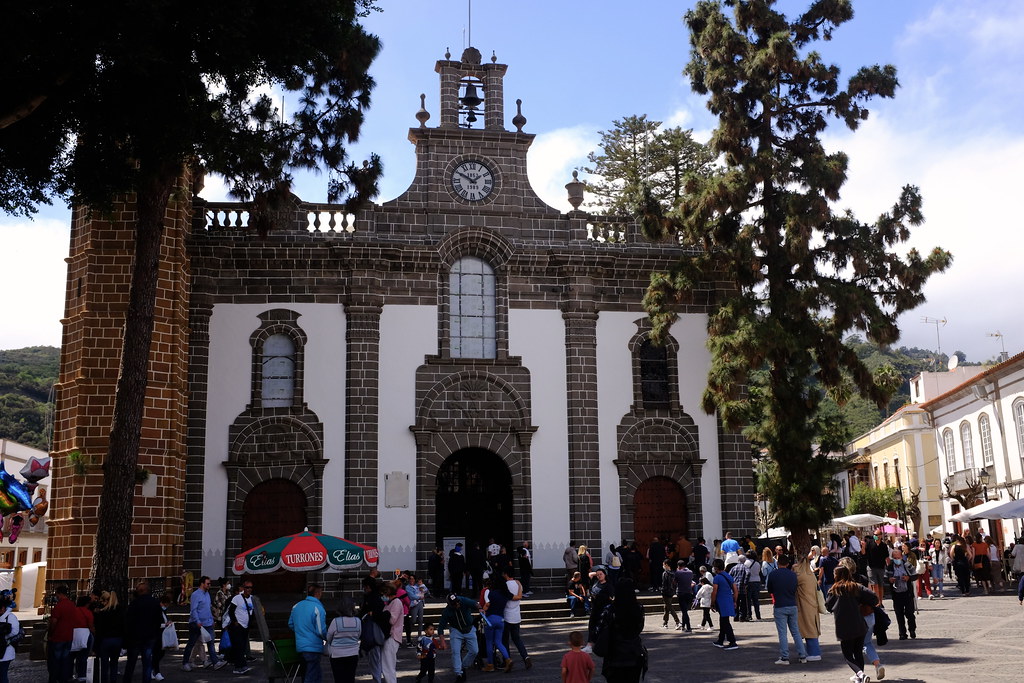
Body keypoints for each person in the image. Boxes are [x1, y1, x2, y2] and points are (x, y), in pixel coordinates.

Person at [825, 565, 879, 683]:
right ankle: (860, 677)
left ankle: (860, 674)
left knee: (847, 654)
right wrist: (862, 604)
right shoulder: (856, 587)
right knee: (858, 651)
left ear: (837, 576)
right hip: (859, 623)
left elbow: (828, 606)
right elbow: (874, 598)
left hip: (843, 626)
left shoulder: (834, 590)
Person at [594, 579, 646, 683]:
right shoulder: (639, 608)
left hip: (614, 654)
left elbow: (598, 630)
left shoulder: (610, 609)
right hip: (634, 652)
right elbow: (640, 627)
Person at [765, 554, 806, 665]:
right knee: (796, 632)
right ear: (788, 564)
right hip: (792, 604)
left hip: (780, 604)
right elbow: (795, 588)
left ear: (778, 563)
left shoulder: (773, 574)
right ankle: (802, 655)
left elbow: (770, 589)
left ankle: (785, 657)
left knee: (782, 633)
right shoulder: (793, 575)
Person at [123, 581, 164, 683]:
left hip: (135, 637)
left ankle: (127, 680)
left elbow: (128, 621)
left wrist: (126, 638)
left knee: (131, 663)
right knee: (147, 663)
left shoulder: (134, 603)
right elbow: (159, 620)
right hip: (149, 636)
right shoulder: (155, 603)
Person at [181, 575, 225, 671]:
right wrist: (197, 621)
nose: (209, 585)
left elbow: (208, 608)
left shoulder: (207, 594)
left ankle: (215, 662)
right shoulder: (196, 595)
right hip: (197, 623)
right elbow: (194, 610)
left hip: (207, 623)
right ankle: (185, 663)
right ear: (202, 584)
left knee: (210, 642)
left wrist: (211, 619)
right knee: (191, 643)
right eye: (208, 583)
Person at [288, 584, 327, 683]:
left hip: (301, 645)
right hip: (313, 646)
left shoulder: (296, 606)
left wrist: (301, 632)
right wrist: (328, 638)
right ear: (318, 593)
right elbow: (320, 630)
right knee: (312, 675)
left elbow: (291, 624)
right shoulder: (318, 608)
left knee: (308, 673)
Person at [436, 593, 479, 683]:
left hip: (469, 628)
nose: (457, 605)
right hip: (456, 630)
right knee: (455, 651)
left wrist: (481, 608)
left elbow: (474, 604)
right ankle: (458, 673)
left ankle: (463, 666)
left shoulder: (463, 600)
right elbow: (441, 627)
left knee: (474, 651)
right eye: (454, 604)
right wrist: (442, 641)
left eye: (457, 602)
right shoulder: (446, 612)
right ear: (449, 604)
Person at [500, 566, 531, 670]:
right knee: (517, 638)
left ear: (506, 574)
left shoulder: (505, 585)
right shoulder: (518, 584)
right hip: (516, 614)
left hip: (506, 614)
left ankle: (507, 660)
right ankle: (525, 657)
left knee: (505, 640)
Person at [326, 597, 361, 683]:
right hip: (353, 653)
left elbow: (328, 637)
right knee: (350, 678)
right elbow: (359, 635)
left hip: (337, 654)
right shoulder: (357, 621)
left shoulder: (336, 621)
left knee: (339, 679)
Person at [884, 549, 917, 640]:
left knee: (909, 613)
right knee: (899, 614)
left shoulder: (907, 565)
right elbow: (885, 578)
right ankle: (902, 633)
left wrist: (908, 577)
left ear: (901, 557)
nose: (897, 559)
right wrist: (889, 580)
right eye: (895, 558)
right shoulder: (890, 567)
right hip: (896, 593)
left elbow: (915, 575)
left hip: (907, 593)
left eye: (898, 558)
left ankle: (912, 630)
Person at [794, 554, 822, 661]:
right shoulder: (810, 575)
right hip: (812, 605)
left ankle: (813, 653)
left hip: (804, 606)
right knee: (812, 628)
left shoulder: (800, 576)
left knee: (808, 629)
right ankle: (814, 651)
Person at [93, 590, 125, 683]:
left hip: (105, 640)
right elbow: (123, 626)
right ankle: (113, 680)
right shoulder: (120, 610)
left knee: (104, 665)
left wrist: (96, 645)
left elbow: (99, 629)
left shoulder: (103, 613)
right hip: (117, 639)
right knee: (114, 664)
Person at [480, 577, 511, 672]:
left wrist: (483, 609)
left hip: (490, 619)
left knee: (489, 642)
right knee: (498, 642)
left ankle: (490, 664)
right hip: (501, 619)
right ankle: (508, 659)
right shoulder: (505, 595)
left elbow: (487, 605)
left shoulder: (492, 594)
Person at [48, 584, 77, 683]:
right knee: (65, 660)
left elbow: (54, 622)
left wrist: (50, 633)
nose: (56, 596)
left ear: (60, 594)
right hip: (68, 636)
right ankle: (63, 678)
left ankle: (54, 678)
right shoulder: (72, 605)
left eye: (56, 594)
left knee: (55, 660)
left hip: (58, 636)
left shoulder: (59, 606)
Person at [226, 580, 255, 675]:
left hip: (246, 626)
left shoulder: (252, 598)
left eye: (250, 587)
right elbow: (231, 611)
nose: (249, 589)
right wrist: (235, 621)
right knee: (238, 646)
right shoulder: (237, 598)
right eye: (247, 587)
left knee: (242, 647)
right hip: (238, 626)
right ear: (243, 588)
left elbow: (252, 612)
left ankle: (242, 665)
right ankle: (238, 667)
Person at [710, 559, 738, 650]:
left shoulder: (717, 578)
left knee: (725, 622)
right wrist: (734, 601)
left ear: (716, 568)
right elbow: (735, 590)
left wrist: (712, 602)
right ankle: (720, 640)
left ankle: (732, 641)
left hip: (721, 602)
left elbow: (714, 592)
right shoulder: (728, 576)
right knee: (723, 620)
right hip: (729, 600)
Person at [583, 566, 610, 653]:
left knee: (600, 627)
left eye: (601, 574)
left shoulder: (608, 585)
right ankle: (589, 644)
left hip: (603, 609)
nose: (599, 576)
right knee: (592, 626)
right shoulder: (596, 583)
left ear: (605, 575)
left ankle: (596, 644)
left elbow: (611, 597)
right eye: (597, 575)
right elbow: (589, 575)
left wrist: (598, 596)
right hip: (595, 608)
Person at [381, 582, 403, 683]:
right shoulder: (390, 603)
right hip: (389, 636)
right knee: (386, 665)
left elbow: (392, 620)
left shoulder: (396, 602)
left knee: (388, 666)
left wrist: (385, 614)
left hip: (392, 636)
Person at [71, 595, 95, 681]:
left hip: (73, 633)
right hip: (85, 634)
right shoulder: (88, 612)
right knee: (83, 657)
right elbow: (91, 625)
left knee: (71, 656)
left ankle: (70, 674)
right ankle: (82, 675)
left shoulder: (73, 611)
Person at [152, 593, 174, 682]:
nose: (166, 606)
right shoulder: (157, 611)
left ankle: (153, 668)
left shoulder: (162, 611)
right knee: (157, 654)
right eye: (165, 604)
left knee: (160, 653)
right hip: (157, 635)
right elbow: (155, 624)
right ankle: (156, 671)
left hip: (161, 635)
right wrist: (165, 624)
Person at [0, 594, 18, 683]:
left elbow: (15, 631)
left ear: (3, 608)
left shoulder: (10, 617)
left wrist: (3, 636)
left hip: (6, 650)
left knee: (2, 674)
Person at [673, 560, 694, 633]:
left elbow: (674, 582)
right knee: (685, 610)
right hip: (689, 592)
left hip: (681, 592)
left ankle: (688, 627)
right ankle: (683, 626)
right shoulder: (690, 572)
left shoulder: (678, 573)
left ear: (678, 566)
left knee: (684, 611)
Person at [659, 560, 680, 629]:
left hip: (665, 592)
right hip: (671, 592)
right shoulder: (673, 573)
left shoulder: (665, 573)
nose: (663, 566)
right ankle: (665, 622)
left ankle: (677, 621)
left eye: (664, 564)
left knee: (669, 607)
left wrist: (662, 590)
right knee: (666, 607)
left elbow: (664, 584)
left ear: (666, 565)